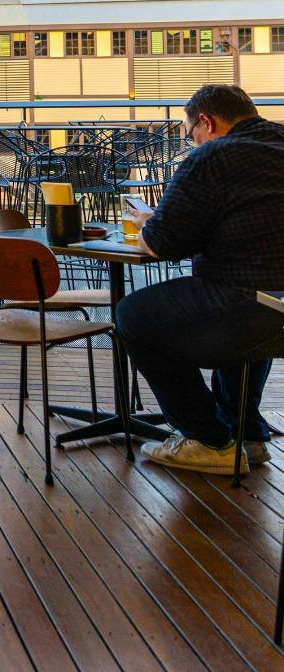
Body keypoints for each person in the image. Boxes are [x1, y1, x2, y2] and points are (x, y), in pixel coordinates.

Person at [117, 84, 284, 474]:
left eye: (190, 132)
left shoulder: (213, 157)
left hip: (246, 304)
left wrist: (146, 222)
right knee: (250, 305)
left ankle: (209, 439)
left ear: (206, 122)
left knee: (134, 316)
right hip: (274, 307)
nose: (192, 141)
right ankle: (247, 434)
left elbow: (161, 243)